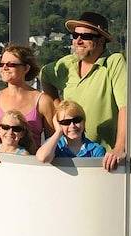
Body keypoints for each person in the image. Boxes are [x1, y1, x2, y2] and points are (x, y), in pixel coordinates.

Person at [40, 11, 126, 171]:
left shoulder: (113, 63)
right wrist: (59, 112)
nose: (78, 40)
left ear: (101, 39)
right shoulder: (68, 63)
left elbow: (125, 107)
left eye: (86, 36)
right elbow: (45, 74)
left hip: (102, 159)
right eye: (75, 35)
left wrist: (119, 148)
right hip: (65, 155)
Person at [36, 100, 106, 163]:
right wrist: (58, 131)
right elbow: (43, 158)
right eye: (66, 122)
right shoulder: (54, 146)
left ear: (84, 122)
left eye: (77, 120)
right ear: (59, 124)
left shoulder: (96, 150)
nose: (72, 125)